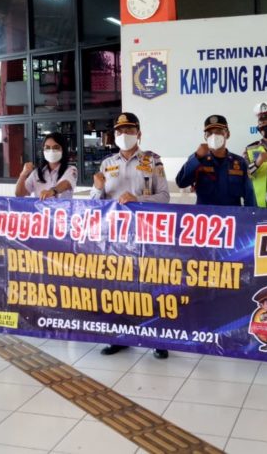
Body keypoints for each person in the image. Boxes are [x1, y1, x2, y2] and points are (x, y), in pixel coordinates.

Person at [90, 112, 170, 359]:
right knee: (117, 286)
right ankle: (119, 337)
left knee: (149, 285)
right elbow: (96, 203)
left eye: (129, 130)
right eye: (120, 131)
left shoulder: (153, 160)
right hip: (115, 235)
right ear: (114, 135)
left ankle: (157, 339)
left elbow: (165, 197)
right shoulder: (106, 164)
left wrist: (139, 199)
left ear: (139, 134)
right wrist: (97, 188)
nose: (124, 135)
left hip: (145, 233)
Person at [175, 115, 256, 206]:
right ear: (205, 137)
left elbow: (249, 196)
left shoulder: (240, 162)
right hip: (205, 217)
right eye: (209, 133)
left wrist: (250, 217)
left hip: (231, 217)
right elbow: (181, 182)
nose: (214, 136)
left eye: (219, 132)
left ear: (227, 134)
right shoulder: (197, 159)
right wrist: (197, 157)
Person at [15, 132, 78, 200]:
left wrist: (52, 191)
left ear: (63, 150)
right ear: (43, 150)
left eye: (56, 147)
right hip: (41, 210)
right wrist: (23, 175)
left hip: (61, 210)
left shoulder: (71, 170)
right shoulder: (36, 173)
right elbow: (19, 194)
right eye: (47, 148)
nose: (51, 151)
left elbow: (66, 184)